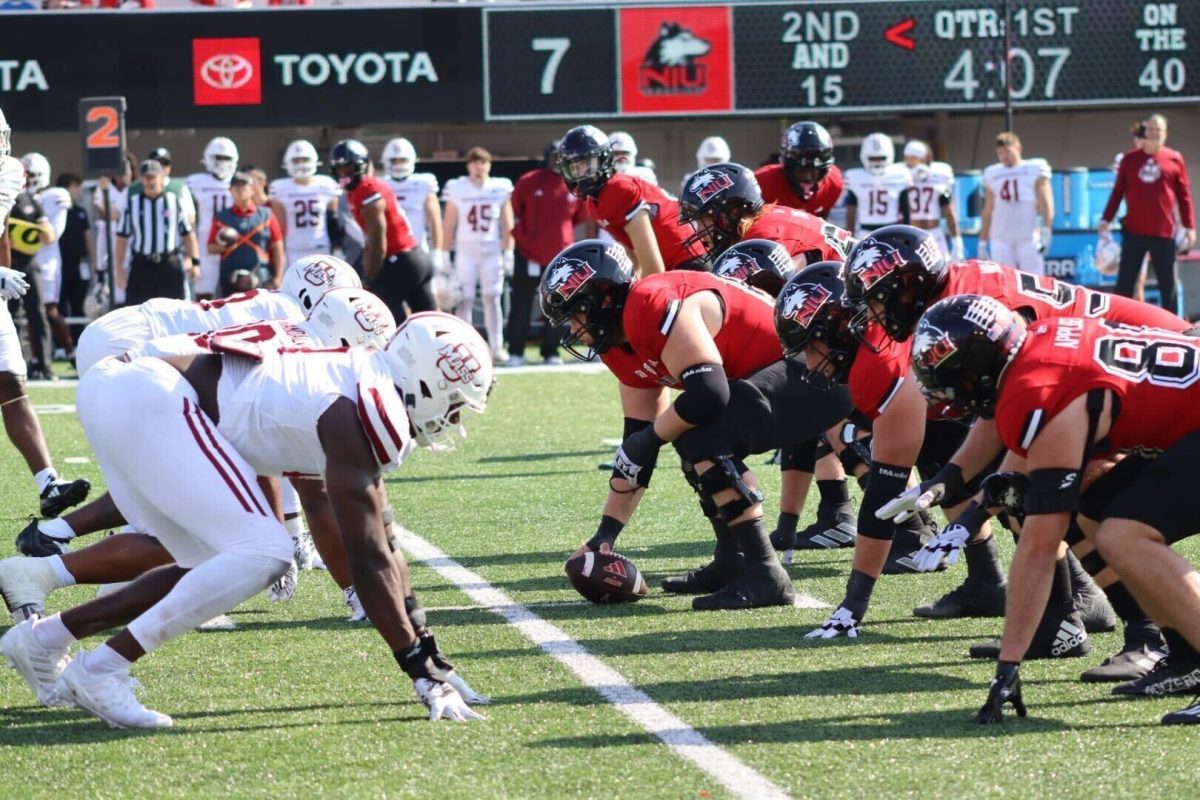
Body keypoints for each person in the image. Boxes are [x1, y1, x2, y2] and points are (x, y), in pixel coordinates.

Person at [0, 311, 493, 728]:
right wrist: (417, 669)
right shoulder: (358, 406)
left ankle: (43, 640)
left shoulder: (356, 377)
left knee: (211, 560)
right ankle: (102, 669)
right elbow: (367, 557)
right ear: (424, 380)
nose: (452, 421)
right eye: (452, 405)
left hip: (124, 389)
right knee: (266, 553)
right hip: (149, 395)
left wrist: (428, 653)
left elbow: (383, 543)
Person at [846, 225, 1192, 675]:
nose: (874, 313)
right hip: (1115, 379)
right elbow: (1007, 407)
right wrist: (950, 479)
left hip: (1146, 368)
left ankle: (1145, 634)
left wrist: (973, 507)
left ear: (907, 284)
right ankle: (1074, 617)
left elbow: (1029, 408)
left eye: (876, 297)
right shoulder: (954, 294)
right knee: (1038, 497)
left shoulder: (971, 311)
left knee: (1063, 501)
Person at [908, 295, 1200, 725]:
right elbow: (1012, 432)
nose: (943, 391)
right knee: (1096, 504)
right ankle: (1190, 654)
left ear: (980, 366)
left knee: (1124, 533)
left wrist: (1008, 665)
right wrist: (971, 506)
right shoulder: (1035, 344)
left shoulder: (1037, 393)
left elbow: (1038, 549)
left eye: (951, 377)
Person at [540, 240, 853, 610]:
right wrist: (604, 536)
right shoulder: (619, 344)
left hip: (815, 371)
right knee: (686, 432)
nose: (576, 329)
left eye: (577, 314)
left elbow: (708, 393)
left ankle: (765, 573)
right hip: (775, 374)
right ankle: (732, 559)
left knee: (703, 434)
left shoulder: (650, 303)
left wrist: (652, 437)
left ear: (604, 299)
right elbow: (636, 446)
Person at [0, 105, 92, 519]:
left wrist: (4, 272)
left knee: (12, 382)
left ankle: (48, 484)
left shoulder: (9, 172)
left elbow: (1, 226)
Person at [559, 125, 705, 276]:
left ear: (603, 159)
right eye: (573, 168)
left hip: (688, 262)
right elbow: (634, 254)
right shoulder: (594, 203)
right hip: (672, 266)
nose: (579, 174)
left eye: (585, 165)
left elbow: (653, 268)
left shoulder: (618, 190)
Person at [331, 139, 434, 327]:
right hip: (415, 258)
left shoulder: (366, 190)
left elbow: (377, 244)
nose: (344, 175)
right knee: (430, 324)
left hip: (401, 261)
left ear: (362, 166)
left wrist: (369, 279)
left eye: (349, 169)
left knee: (389, 324)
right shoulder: (365, 188)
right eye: (340, 171)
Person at [1100, 113, 1195, 313]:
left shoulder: (1174, 159)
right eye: (1150, 129)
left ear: (1165, 134)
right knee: (1125, 284)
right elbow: (1118, 192)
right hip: (1134, 232)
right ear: (1145, 131)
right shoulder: (1129, 159)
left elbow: (1183, 195)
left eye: (1158, 129)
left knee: (1168, 286)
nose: (1154, 133)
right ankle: (1117, 324)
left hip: (1163, 233)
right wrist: (1106, 219)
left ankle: (1175, 329)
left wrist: (1189, 226)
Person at [507, 140, 584, 367]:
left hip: (560, 257)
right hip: (527, 253)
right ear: (546, 157)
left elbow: (578, 216)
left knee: (558, 305)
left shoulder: (575, 184)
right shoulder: (529, 181)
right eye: (554, 156)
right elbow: (516, 208)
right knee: (521, 303)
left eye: (563, 157)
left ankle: (551, 351)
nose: (558, 161)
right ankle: (516, 351)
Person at [441, 146, 514, 362]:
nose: (478, 167)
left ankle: (496, 345)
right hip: (466, 251)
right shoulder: (458, 188)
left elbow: (507, 224)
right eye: (474, 162)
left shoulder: (499, 187)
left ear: (489, 165)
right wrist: (444, 254)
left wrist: (508, 251)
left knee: (492, 297)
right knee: (465, 299)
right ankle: (464, 345)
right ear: (468, 166)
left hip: (491, 251)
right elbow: (449, 224)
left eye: (482, 162)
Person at [115, 160, 199, 306]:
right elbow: (122, 238)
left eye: (153, 176)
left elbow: (188, 235)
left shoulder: (174, 201)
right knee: (137, 310)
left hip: (169, 263)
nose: (150, 181)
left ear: (161, 177)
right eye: (146, 177)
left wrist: (195, 262)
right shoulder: (133, 203)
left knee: (174, 310)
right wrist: (119, 270)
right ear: (141, 179)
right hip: (142, 264)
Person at [20, 154, 75, 368]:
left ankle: (71, 351)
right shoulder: (20, 196)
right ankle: (36, 359)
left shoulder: (55, 196)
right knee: (34, 311)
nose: (27, 178)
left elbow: (52, 235)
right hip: (25, 259)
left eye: (30, 174)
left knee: (49, 310)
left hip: (47, 260)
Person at [979, 131, 1054, 275]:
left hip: (1027, 236)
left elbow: (1046, 202)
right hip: (1000, 237)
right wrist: (982, 242)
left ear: (1018, 148)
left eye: (1007, 151)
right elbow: (988, 210)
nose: (1004, 156)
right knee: (1003, 282)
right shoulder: (992, 173)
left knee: (1035, 281)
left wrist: (1047, 229)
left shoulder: (1034, 168)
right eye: (1000, 153)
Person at [210, 171, 284, 295]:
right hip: (230, 279)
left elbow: (278, 248)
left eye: (244, 185)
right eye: (236, 186)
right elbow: (210, 247)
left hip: (261, 277)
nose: (240, 189)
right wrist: (225, 245)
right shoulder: (221, 217)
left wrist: (278, 278)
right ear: (230, 190)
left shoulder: (267, 215)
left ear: (252, 189)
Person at [268, 139, 341, 265]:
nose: (301, 164)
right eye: (296, 160)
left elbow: (335, 222)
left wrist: (338, 246)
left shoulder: (327, 184)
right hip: (294, 249)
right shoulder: (280, 188)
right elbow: (278, 225)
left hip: (321, 247)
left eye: (305, 159)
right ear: (288, 163)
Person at [754, 121, 844, 219]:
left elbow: (823, 222)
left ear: (824, 170)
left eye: (814, 170)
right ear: (789, 168)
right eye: (802, 170)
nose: (808, 177)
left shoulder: (834, 183)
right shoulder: (762, 182)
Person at [185, 136, 239, 299]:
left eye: (226, 158)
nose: (222, 162)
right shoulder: (195, 182)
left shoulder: (239, 182)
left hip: (235, 242)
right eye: (218, 158)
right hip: (205, 240)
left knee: (233, 294)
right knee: (203, 295)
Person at [380, 137, 443, 258]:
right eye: (394, 161)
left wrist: (438, 251)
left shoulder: (423, 182)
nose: (398, 164)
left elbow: (435, 220)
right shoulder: (380, 184)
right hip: (389, 251)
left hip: (417, 248)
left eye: (402, 160)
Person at [903, 140, 964, 261]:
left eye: (913, 158)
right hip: (910, 234)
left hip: (934, 233)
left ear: (924, 158)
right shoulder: (899, 174)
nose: (909, 162)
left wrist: (957, 242)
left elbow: (949, 211)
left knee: (942, 273)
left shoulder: (939, 174)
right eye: (907, 158)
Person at [844, 133, 912, 239]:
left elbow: (906, 210)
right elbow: (851, 212)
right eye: (873, 158)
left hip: (891, 231)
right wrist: (849, 237)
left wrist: (908, 236)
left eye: (881, 158)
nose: (877, 162)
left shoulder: (900, 175)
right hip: (865, 233)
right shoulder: (855, 177)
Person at [54, 173, 93, 344]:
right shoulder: (53, 212)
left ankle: (78, 342)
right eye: (75, 187)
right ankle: (62, 344)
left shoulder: (80, 212)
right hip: (58, 266)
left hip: (78, 265)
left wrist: (93, 263)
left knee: (79, 305)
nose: (78, 191)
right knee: (59, 305)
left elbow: (88, 238)